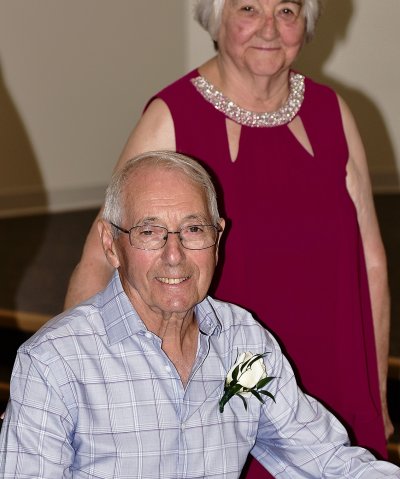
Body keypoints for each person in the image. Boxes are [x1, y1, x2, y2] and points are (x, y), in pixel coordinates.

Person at [64, 2, 393, 475]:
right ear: (216, 18)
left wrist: (375, 390)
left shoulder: (331, 112)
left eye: (286, 9)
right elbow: (102, 256)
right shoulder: (172, 115)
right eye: (247, 8)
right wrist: (72, 384)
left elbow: (372, 262)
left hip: (337, 369)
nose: (269, 28)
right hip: (227, 383)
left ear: (307, 21)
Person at [1, 151, 399, 478]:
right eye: (149, 232)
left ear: (218, 238)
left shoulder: (242, 340)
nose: (174, 256)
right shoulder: (54, 361)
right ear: (111, 245)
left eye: (193, 229)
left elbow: (326, 461)